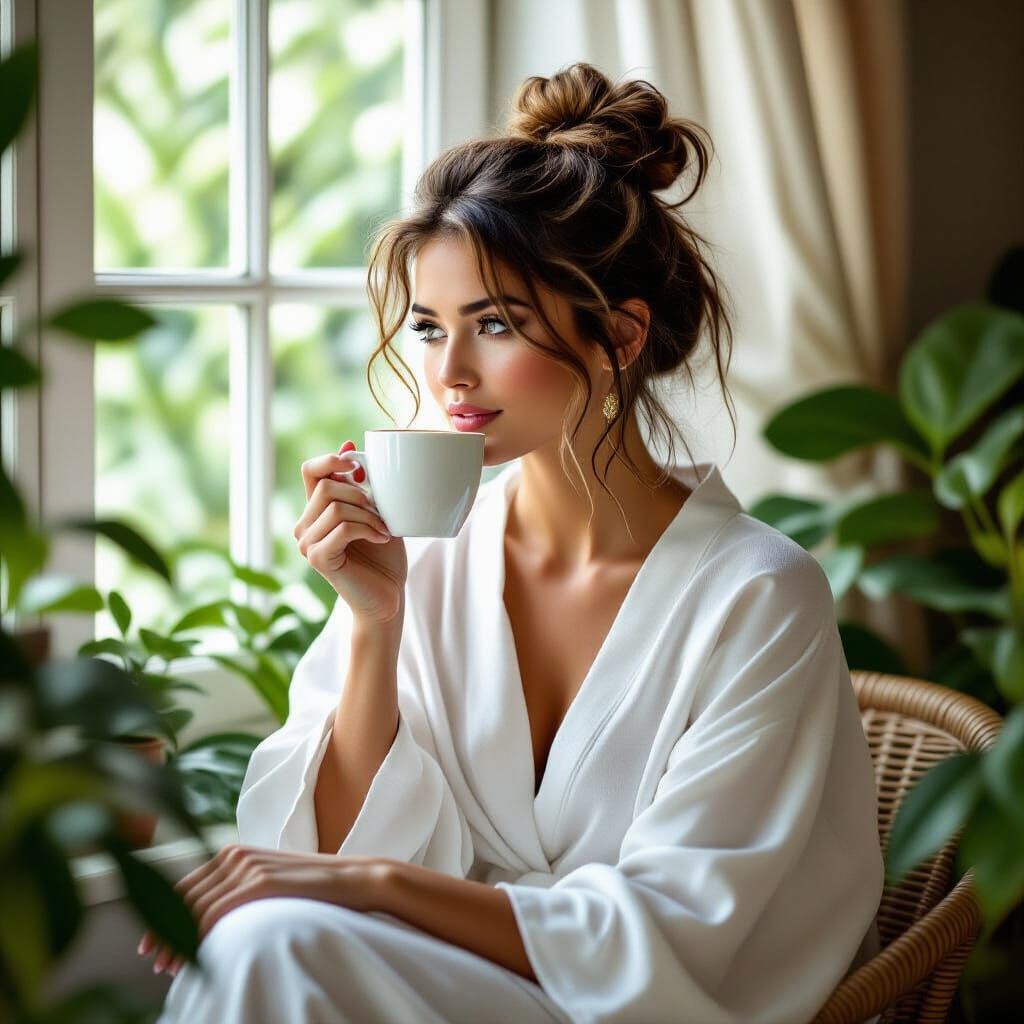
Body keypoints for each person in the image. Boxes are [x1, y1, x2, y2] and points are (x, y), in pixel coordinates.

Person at [148, 61, 883, 1023]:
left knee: (271, 942)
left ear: (619, 336)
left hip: (653, 1008)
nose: (449, 371)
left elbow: (680, 930)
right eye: (426, 327)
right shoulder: (436, 558)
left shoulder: (756, 596)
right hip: (452, 991)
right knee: (266, 941)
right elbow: (322, 856)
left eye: (493, 324)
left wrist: (373, 887)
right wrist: (375, 622)